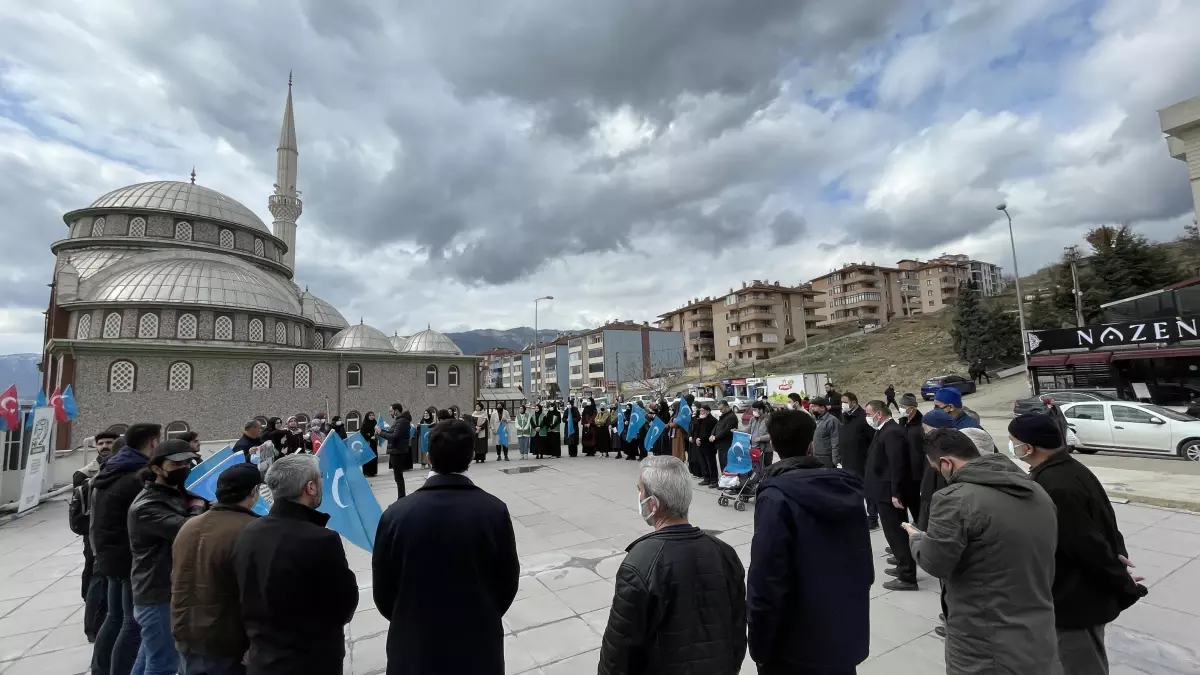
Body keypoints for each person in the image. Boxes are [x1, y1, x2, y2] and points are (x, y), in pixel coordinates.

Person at [906, 428, 1059, 674]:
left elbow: (935, 562)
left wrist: (917, 540)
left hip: (984, 639)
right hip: (1037, 630)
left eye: (936, 469)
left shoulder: (955, 499)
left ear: (946, 463)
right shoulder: (1034, 489)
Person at [373, 419, 519, 675]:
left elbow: (384, 593)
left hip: (415, 648)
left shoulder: (396, 515)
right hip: (477, 647)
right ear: (471, 457)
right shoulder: (494, 511)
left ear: (428, 457)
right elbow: (506, 583)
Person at [1010, 414, 1148, 675]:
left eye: (1013, 442)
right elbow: (1103, 522)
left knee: (1081, 666)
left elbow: (1085, 544)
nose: (1012, 447)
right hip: (1083, 595)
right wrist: (1118, 555)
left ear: (1028, 447)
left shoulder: (1053, 485)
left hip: (1074, 600)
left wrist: (1123, 582)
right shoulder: (1071, 469)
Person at [748, 409, 872, 674]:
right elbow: (864, 566)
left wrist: (759, 645)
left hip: (795, 649)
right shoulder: (847, 489)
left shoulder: (776, 497)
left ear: (774, 446)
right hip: (842, 639)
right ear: (811, 445)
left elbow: (767, 581)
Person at [598, 456, 746, 675]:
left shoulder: (640, 563)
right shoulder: (724, 552)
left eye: (640, 491)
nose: (639, 497)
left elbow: (618, 653)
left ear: (653, 503)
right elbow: (737, 634)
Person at [233, 455, 358, 675]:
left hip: (261, 658)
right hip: (309, 661)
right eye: (319, 479)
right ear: (310, 487)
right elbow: (343, 606)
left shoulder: (249, 531)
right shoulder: (321, 540)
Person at [172, 464, 263, 675]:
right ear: (254, 491)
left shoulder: (190, 525)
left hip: (186, 633)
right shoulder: (251, 530)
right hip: (225, 642)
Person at [127, 438, 203, 675]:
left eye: (188, 463)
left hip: (167, 588)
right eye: (177, 465)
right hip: (157, 593)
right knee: (164, 664)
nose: (184, 469)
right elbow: (188, 530)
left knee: (150, 656)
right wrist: (198, 507)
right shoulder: (147, 506)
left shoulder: (175, 493)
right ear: (157, 469)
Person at [90, 423, 161, 675]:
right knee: (132, 623)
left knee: (115, 616)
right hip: (128, 555)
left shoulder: (112, 468)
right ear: (153, 443)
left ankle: (100, 668)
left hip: (108, 552)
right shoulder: (137, 475)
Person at [863, 401, 923, 591]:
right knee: (893, 532)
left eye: (869, 413)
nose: (868, 417)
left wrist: (896, 492)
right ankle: (902, 565)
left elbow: (897, 465)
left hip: (889, 493)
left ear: (878, 414)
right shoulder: (884, 429)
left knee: (896, 533)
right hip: (883, 490)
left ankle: (907, 576)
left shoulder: (892, 432)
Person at [70, 430, 118, 643]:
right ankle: (93, 627)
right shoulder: (84, 473)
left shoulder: (120, 467)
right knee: (94, 575)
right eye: (101, 443)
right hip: (93, 533)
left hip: (112, 531)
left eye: (110, 442)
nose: (105, 446)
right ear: (96, 446)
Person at [839, 392, 878, 530]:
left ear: (854, 402)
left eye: (845, 402)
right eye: (841, 402)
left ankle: (873, 517)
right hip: (848, 460)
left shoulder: (863, 418)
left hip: (862, 461)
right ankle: (857, 515)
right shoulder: (845, 417)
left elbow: (873, 440)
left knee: (868, 491)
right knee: (853, 491)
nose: (842, 405)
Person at [377, 403, 413, 499]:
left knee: (398, 477)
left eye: (391, 411)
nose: (390, 413)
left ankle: (401, 498)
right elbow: (392, 433)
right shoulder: (399, 421)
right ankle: (401, 497)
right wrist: (382, 431)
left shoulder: (401, 421)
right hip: (396, 450)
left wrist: (381, 432)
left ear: (396, 411)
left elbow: (394, 437)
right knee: (398, 477)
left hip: (398, 451)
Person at [809, 396, 841, 469]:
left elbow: (836, 442)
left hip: (827, 458)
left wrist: (836, 461)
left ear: (823, 408)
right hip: (816, 456)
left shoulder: (832, 421)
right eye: (811, 406)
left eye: (814, 406)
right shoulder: (815, 420)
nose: (812, 409)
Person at [691, 404, 719, 486]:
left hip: (708, 445)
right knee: (703, 463)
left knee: (711, 463)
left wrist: (701, 439)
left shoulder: (712, 420)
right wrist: (696, 438)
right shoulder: (700, 419)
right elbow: (696, 430)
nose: (701, 412)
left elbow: (710, 433)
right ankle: (706, 478)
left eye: (702, 410)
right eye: (700, 411)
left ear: (708, 411)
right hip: (700, 444)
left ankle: (714, 480)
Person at [709, 400, 739, 473]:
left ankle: (727, 481)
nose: (720, 411)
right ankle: (724, 479)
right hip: (720, 444)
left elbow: (726, 430)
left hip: (727, 444)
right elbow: (716, 426)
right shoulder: (723, 415)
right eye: (719, 409)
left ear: (727, 407)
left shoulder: (732, 417)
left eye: (722, 409)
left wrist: (716, 437)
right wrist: (712, 434)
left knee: (726, 463)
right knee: (722, 463)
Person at [747, 401, 773, 466]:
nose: (753, 411)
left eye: (755, 410)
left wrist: (760, 438)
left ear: (761, 410)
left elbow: (772, 435)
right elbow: (747, 430)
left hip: (766, 450)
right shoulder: (752, 419)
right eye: (753, 410)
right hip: (754, 449)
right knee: (756, 468)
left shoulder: (768, 419)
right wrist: (737, 430)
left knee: (766, 468)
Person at [360, 412, 378, 477]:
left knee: (373, 456)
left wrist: (376, 435)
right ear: (367, 416)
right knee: (367, 457)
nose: (372, 416)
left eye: (373, 415)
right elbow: (362, 433)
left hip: (373, 443)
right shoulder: (364, 424)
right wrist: (369, 437)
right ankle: (366, 472)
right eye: (370, 415)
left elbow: (378, 431)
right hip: (366, 443)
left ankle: (373, 472)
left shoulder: (375, 423)